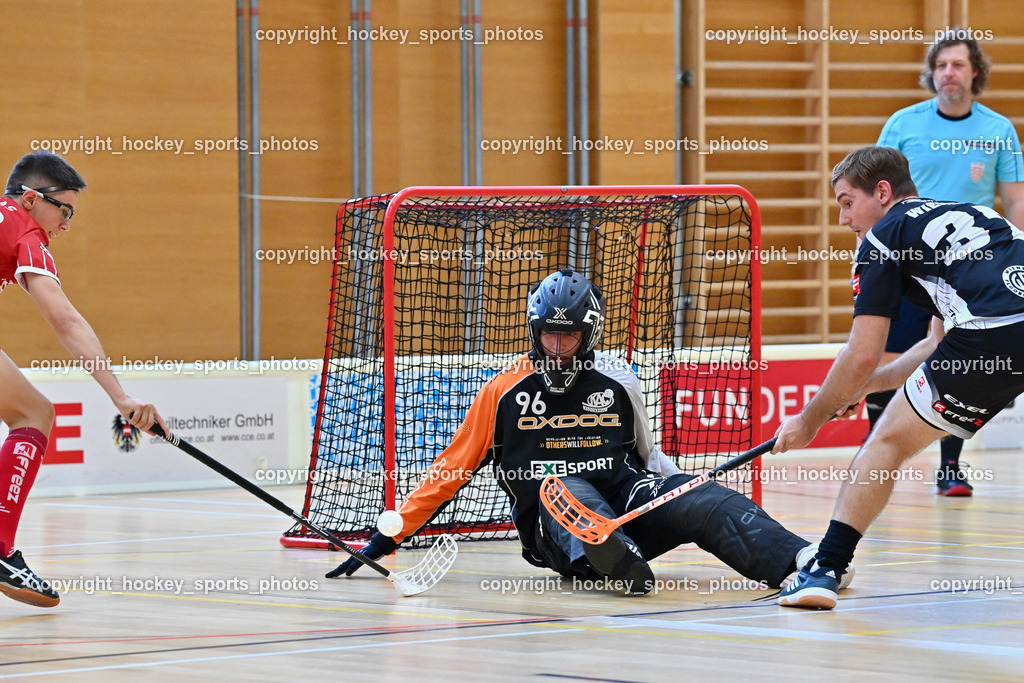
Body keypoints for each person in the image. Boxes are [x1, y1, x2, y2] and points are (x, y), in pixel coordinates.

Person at [327, 268, 853, 596]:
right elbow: (449, 471)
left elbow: (650, 458)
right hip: (555, 527)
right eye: (548, 334)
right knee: (561, 484)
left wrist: (686, 488)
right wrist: (385, 538)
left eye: (568, 335)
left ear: (589, 334)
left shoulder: (619, 381)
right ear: (534, 331)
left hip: (630, 504)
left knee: (703, 497)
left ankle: (806, 560)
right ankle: (611, 557)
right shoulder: (502, 392)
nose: (557, 346)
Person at [775, 145, 1024, 609]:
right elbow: (935, 344)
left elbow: (862, 353)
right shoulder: (971, 212)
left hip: (989, 334)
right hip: (1003, 326)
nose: (844, 219)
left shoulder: (884, 238)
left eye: (848, 202)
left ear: (883, 193)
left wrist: (810, 420)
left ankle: (825, 567)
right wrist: (865, 389)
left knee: (885, 443)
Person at [0, 150, 167, 608]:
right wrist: (121, 397)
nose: (66, 224)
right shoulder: (26, 231)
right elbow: (66, 322)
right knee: (34, 414)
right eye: (64, 209)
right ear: (31, 198)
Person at [872, 28, 1024, 496]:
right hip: (908, 262)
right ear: (931, 73)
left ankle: (950, 468)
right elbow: (876, 192)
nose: (947, 73)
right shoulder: (903, 123)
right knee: (888, 355)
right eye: (940, 65)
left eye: (957, 65)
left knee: (955, 361)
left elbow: (1014, 203)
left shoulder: (998, 130)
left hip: (969, 272)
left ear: (975, 71)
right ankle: (872, 454)